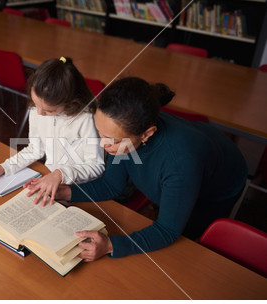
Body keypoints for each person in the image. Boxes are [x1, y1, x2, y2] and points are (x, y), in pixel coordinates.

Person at [28, 77, 247, 262]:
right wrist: (66, 192)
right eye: (99, 132)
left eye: (110, 140)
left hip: (219, 185)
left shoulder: (180, 163)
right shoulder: (124, 135)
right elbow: (111, 185)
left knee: (185, 247)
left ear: (147, 134)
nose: (102, 145)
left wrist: (111, 245)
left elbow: (167, 230)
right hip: (190, 153)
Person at [0, 57, 105, 202]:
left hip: (79, 189)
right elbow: (35, 149)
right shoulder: (37, 108)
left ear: (70, 102)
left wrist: (60, 174)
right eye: (36, 104)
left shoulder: (86, 118)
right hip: (50, 180)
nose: (39, 113)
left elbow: (96, 166)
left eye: (48, 111)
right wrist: (4, 168)